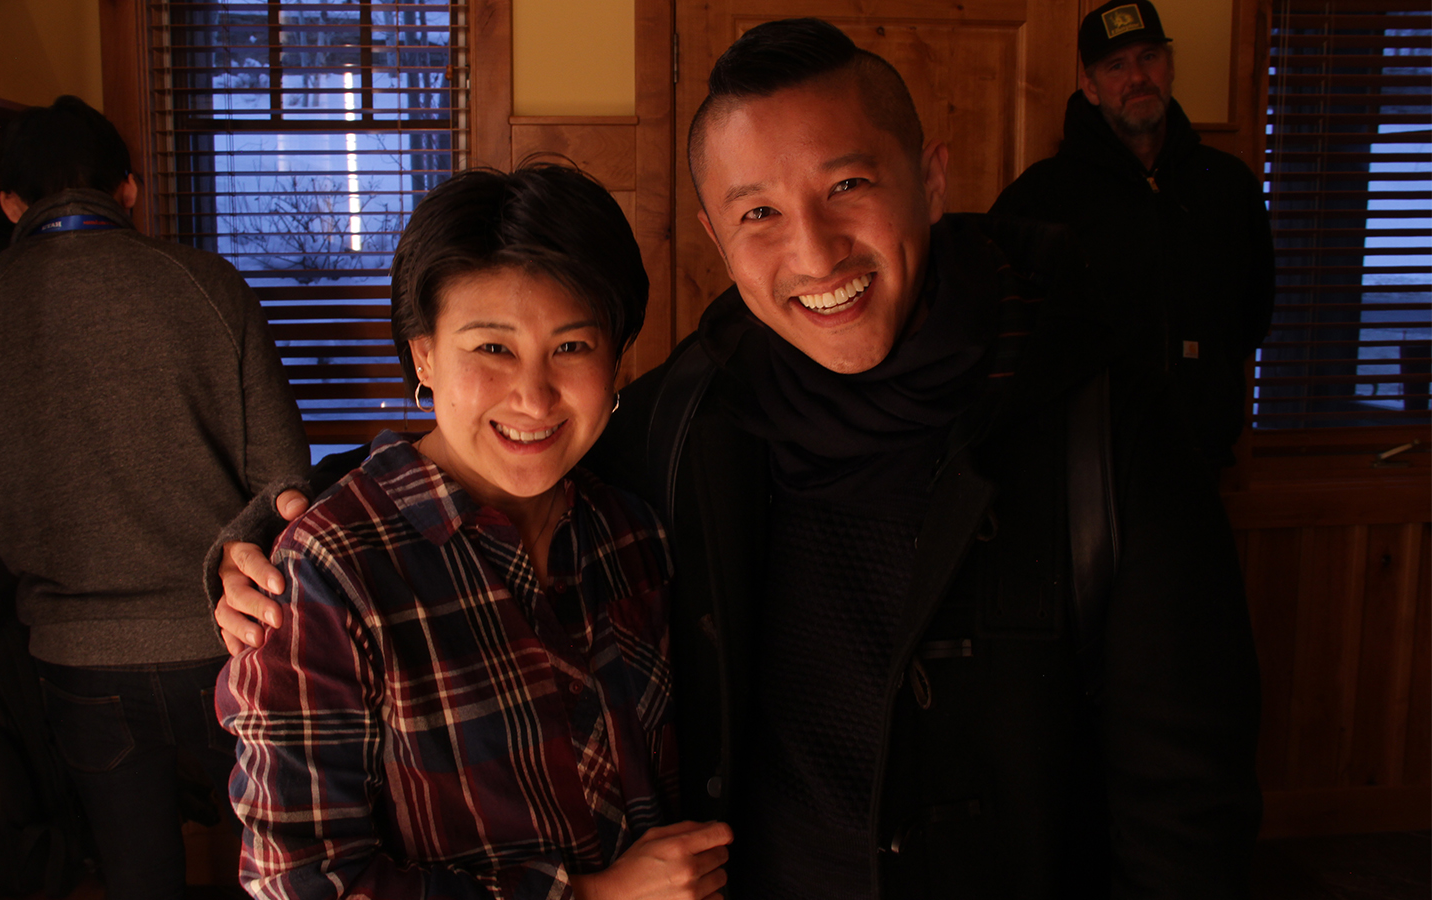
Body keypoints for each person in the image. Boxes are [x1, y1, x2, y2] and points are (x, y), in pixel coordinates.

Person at [214, 20, 1262, 898]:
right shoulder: (697, 416)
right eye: (760, 211)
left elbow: (1189, 801)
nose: (813, 251)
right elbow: (492, 457)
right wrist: (282, 532)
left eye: (848, 184)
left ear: (931, 179)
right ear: (717, 232)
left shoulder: (1096, 422)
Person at [214, 164, 732, 899]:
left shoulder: (631, 531)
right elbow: (301, 880)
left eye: (573, 348)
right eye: (492, 348)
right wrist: (592, 895)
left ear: (617, 359)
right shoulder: (327, 573)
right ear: (424, 354)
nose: (534, 395)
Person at [0, 95, 310, 900]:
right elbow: (286, 481)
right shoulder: (209, 283)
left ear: (10, 204)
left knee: (137, 875)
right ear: (128, 189)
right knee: (277, 870)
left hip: (72, 657)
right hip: (228, 641)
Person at [991, 0, 1275, 470]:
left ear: (1169, 67)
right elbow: (1000, 324)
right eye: (1116, 66)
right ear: (1091, 86)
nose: (1137, 77)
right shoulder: (1041, 196)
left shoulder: (1227, 184)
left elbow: (1251, 314)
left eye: (1149, 57)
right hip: (1081, 467)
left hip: (1200, 460)